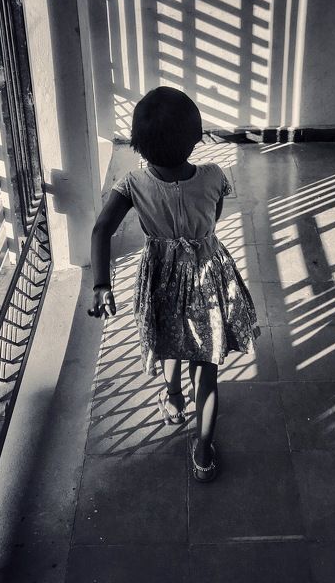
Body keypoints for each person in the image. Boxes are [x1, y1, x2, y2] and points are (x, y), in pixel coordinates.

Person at [89, 86, 260, 482]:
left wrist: (101, 285)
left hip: (161, 279)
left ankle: (173, 396)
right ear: (195, 138)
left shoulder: (132, 184)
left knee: (169, 337)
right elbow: (214, 217)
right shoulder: (214, 176)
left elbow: (101, 231)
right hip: (207, 278)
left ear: (137, 144)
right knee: (207, 366)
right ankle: (203, 453)